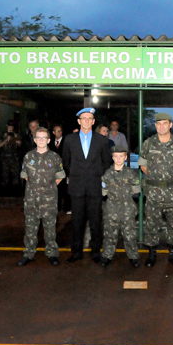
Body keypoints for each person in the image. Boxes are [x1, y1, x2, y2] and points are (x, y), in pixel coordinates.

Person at [138, 112, 173, 267]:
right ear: (155, 125)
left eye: (164, 123)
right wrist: (156, 178)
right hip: (153, 191)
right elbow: (142, 164)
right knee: (152, 223)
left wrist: (169, 178)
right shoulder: (148, 143)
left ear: (170, 125)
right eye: (158, 124)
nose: (161, 126)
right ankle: (152, 253)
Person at [62, 107, 113, 263]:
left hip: (94, 185)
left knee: (95, 220)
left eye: (89, 118)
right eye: (83, 118)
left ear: (93, 121)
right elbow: (65, 161)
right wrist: (77, 172)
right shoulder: (70, 139)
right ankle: (76, 252)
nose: (86, 121)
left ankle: (96, 252)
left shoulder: (101, 140)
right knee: (77, 220)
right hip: (77, 186)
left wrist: (95, 173)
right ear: (79, 121)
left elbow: (107, 161)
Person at [17, 127, 66, 267]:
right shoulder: (28, 157)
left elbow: (60, 176)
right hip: (31, 200)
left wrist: (47, 188)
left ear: (49, 140)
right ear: (34, 139)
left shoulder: (55, 157)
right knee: (30, 228)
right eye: (38, 138)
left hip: (49, 200)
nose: (41, 140)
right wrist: (36, 188)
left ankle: (52, 254)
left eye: (44, 138)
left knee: (50, 228)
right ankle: (29, 253)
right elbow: (25, 175)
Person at [100, 145, 141, 268]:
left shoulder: (131, 173)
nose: (118, 159)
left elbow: (136, 190)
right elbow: (104, 191)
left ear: (125, 157)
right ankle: (107, 256)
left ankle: (133, 256)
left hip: (127, 208)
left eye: (121, 156)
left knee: (130, 235)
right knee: (110, 234)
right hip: (111, 208)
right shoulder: (107, 174)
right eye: (116, 156)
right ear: (112, 157)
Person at [0, 120, 22, 193]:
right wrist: (6, 140)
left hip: (14, 157)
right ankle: (4, 191)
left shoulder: (16, 135)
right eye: (9, 127)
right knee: (5, 175)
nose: (10, 128)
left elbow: (20, 143)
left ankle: (15, 192)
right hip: (5, 157)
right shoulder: (2, 134)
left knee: (15, 175)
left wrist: (16, 141)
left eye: (12, 127)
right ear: (7, 126)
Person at [50, 124, 70, 214]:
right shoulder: (50, 142)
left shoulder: (66, 141)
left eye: (60, 131)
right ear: (54, 132)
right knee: (55, 188)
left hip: (65, 168)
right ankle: (56, 207)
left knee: (66, 188)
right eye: (57, 131)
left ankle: (67, 207)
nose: (59, 133)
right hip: (54, 169)